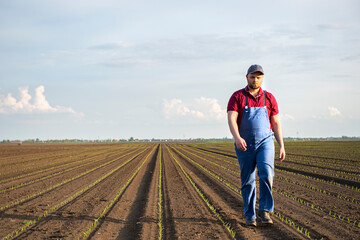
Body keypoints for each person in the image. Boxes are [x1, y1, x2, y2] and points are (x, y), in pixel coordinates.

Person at [227, 64, 285, 227]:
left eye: (258, 77)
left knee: (266, 173)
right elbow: (232, 118)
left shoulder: (269, 98)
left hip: (265, 141)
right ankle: (250, 215)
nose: (255, 80)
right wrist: (237, 137)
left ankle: (265, 210)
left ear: (262, 79)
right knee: (248, 179)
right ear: (247, 77)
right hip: (244, 143)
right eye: (252, 77)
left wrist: (281, 145)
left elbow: (276, 123)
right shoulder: (237, 96)